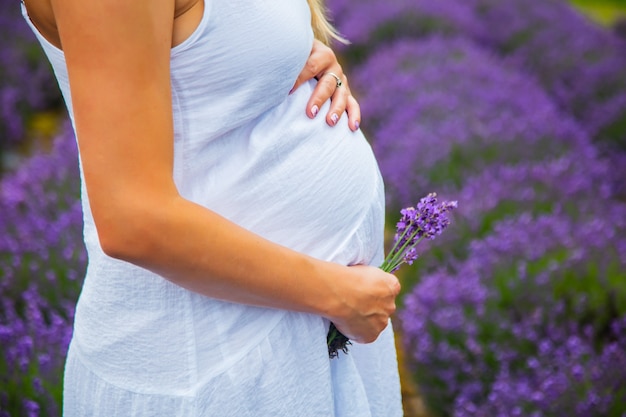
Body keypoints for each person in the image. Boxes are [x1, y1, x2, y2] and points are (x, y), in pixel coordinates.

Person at [21, 0, 403, 415]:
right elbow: (132, 219)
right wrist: (337, 295)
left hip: (293, 329)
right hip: (219, 366)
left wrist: (296, 55)